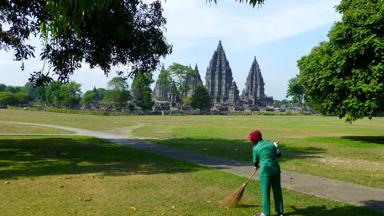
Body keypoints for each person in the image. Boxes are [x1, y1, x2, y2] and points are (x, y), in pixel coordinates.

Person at [248, 130, 283, 216]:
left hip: (265, 172)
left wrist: (256, 166)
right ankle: (280, 212)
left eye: (253, 140)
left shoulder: (255, 148)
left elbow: (255, 162)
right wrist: (275, 146)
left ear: (258, 138)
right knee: (277, 191)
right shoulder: (271, 144)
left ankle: (265, 213)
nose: (252, 141)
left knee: (265, 192)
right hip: (276, 170)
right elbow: (279, 155)